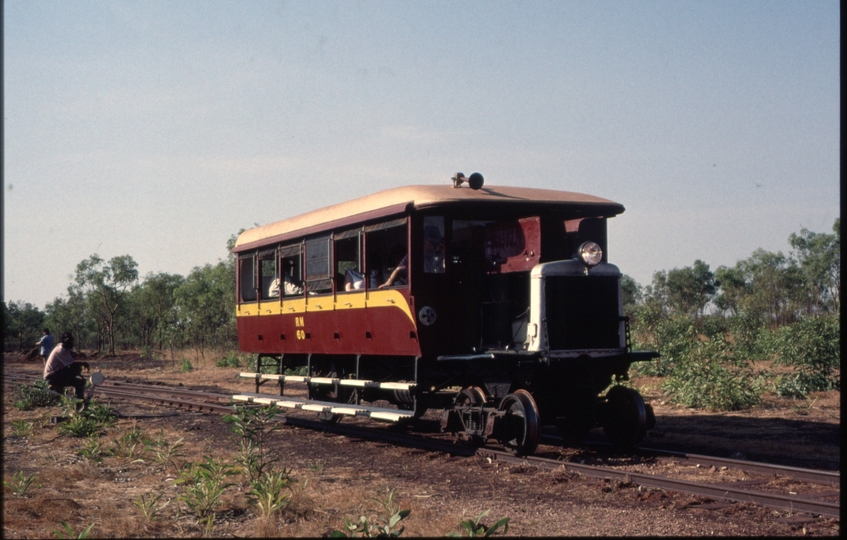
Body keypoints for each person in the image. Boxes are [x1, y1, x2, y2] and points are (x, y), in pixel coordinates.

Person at [43, 332, 89, 401]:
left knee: (76, 372)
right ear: (64, 341)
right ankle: (79, 402)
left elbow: (71, 365)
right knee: (79, 382)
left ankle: (57, 387)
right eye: (68, 341)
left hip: (54, 375)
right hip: (52, 376)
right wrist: (83, 364)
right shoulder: (61, 350)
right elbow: (72, 365)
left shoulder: (63, 347)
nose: (70, 342)